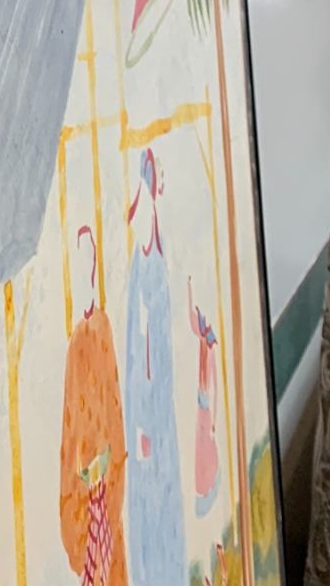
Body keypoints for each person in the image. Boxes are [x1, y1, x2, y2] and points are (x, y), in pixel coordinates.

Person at [123, 148, 186, 585]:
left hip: (160, 414)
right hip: (146, 418)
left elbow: (157, 347)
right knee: (148, 506)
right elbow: (137, 353)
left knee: (165, 500)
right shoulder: (140, 269)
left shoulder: (158, 260)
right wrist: (143, 421)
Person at [60, 226, 128, 586]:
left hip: (106, 482)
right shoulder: (76, 343)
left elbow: (112, 404)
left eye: (88, 260)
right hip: (85, 489)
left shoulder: (102, 328)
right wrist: (80, 473)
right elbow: (70, 421)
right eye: (78, 261)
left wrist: (108, 464)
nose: (83, 271)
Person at [188, 282, 221, 517]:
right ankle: (203, 486)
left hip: (206, 408)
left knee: (205, 448)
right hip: (203, 408)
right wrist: (189, 288)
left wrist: (214, 420)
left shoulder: (210, 350)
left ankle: (207, 484)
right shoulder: (202, 341)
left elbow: (215, 388)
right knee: (201, 447)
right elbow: (192, 319)